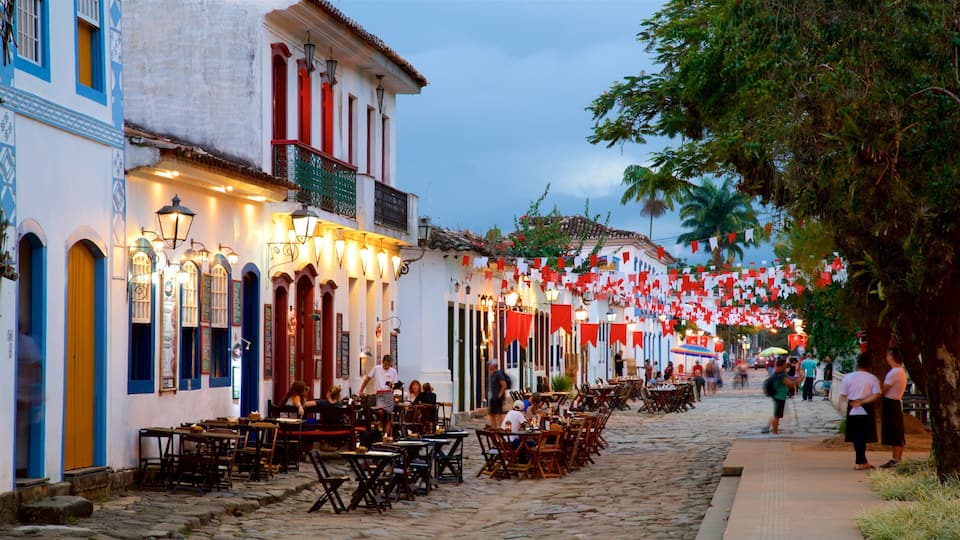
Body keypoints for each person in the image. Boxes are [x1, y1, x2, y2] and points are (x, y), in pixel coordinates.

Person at [840, 353, 882, 470]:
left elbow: (843, 395)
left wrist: (852, 403)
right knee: (862, 436)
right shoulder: (872, 378)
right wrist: (863, 401)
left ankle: (862, 460)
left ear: (857, 364)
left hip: (852, 406)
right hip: (866, 407)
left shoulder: (848, 377)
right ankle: (861, 461)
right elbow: (877, 394)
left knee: (856, 436)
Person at [879, 348, 907, 468]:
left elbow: (884, 389)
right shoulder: (899, 371)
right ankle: (895, 458)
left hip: (891, 402)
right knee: (895, 431)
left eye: (888, 355)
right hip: (894, 402)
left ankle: (897, 459)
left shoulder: (895, 372)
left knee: (895, 431)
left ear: (892, 357)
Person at [359, 354, 399, 438]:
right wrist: (361, 389)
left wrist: (395, 392)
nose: (386, 366)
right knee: (380, 411)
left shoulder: (393, 371)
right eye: (385, 364)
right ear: (382, 362)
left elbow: (396, 385)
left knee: (388, 415)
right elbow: (367, 379)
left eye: (388, 365)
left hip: (388, 393)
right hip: (380, 393)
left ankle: (386, 435)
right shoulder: (376, 369)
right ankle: (379, 423)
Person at [762, 358, 799, 434]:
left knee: (777, 414)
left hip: (778, 396)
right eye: (785, 365)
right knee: (777, 415)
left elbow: (790, 380)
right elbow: (790, 383)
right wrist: (801, 378)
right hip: (779, 396)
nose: (786, 366)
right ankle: (774, 432)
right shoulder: (780, 375)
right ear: (782, 365)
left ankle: (768, 427)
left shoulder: (780, 373)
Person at [487, 359, 508, 427]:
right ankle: (494, 429)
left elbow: (504, 385)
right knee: (492, 414)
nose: (488, 366)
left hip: (497, 398)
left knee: (499, 415)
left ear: (493, 366)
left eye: (490, 364)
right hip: (494, 397)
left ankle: (500, 429)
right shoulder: (492, 374)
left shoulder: (498, 374)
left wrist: (499, 396)